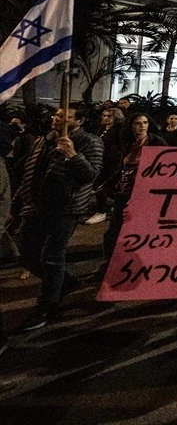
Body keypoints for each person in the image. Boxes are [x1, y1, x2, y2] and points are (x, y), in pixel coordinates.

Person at [16, 106, 103, 331]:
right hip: (35, 205)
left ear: (80, 121)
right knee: (26, 253)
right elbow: (31, 171)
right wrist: (21, 198)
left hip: (65, 208)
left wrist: (73, 155)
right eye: (56, 115)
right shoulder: (43, 141)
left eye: (65, 117)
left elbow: (90, 175)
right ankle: (65, 283)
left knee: (52, 256)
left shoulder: (90, 142)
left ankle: (47, 305)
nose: (57, 119)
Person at [101, 113, 166, 268]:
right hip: (124, 192)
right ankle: (109, 265)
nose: (142, 126)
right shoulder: (129, 143)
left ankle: (140, 265)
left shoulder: (156, 142)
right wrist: (107, 185)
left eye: (145, 122)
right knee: (114, 231)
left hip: (144, 195)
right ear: (131, 126)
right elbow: (121, 168)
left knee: (141, 230)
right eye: (138, 123)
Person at [85, 107, 125, 225]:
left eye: (109, 116)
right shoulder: (101, 128)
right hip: (100, 159)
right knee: (101, 185)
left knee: (104, 185)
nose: (106, 118)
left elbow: (120, 145)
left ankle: (101, 211)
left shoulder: (119, 130)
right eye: (104, 115)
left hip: (112, 161)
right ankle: (106, 208)